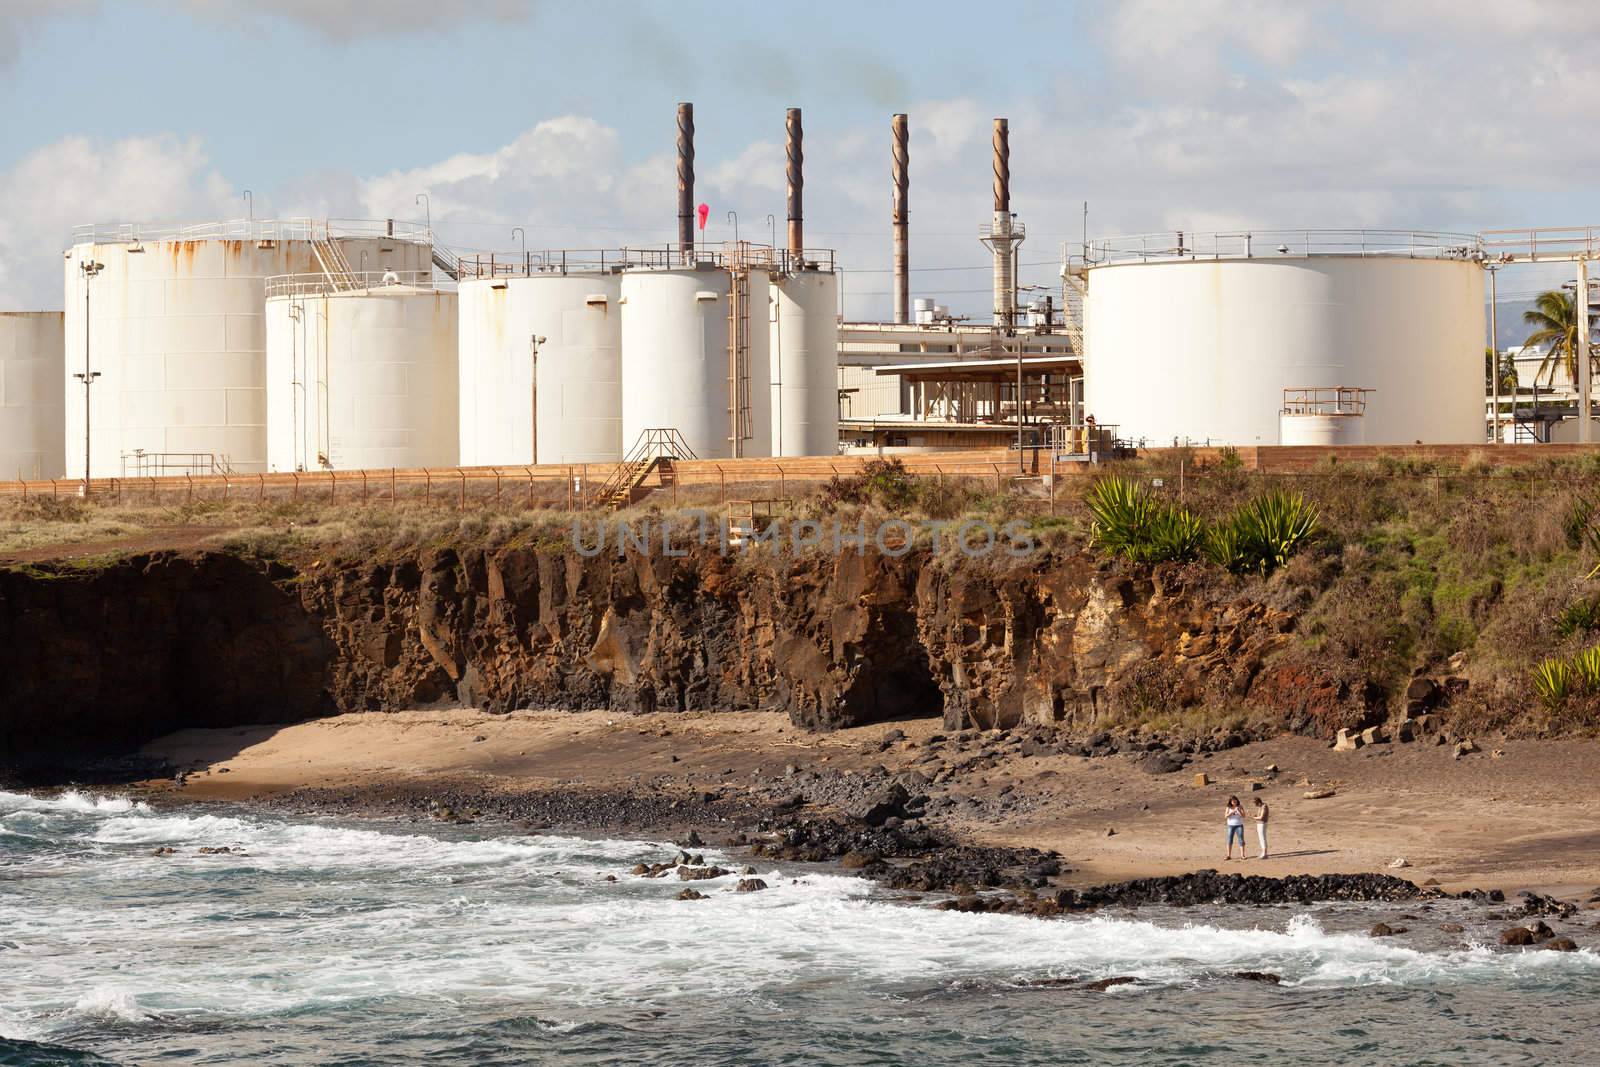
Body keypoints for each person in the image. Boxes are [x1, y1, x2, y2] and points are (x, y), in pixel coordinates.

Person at [1225, 796, 1246, 860]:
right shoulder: (1228, 807)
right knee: (1229, 840)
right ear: (1231, 802)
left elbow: (1244, 816)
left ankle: (1242, 855)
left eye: (1235, 801)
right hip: (1230, 825)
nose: (1234, 802)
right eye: (1233, 801)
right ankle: (1228, 855)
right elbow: (1225, 816)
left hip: (1239, 825)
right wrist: (1232, 812)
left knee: (1241, 840)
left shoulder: (1240, 806)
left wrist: (1239, 811)